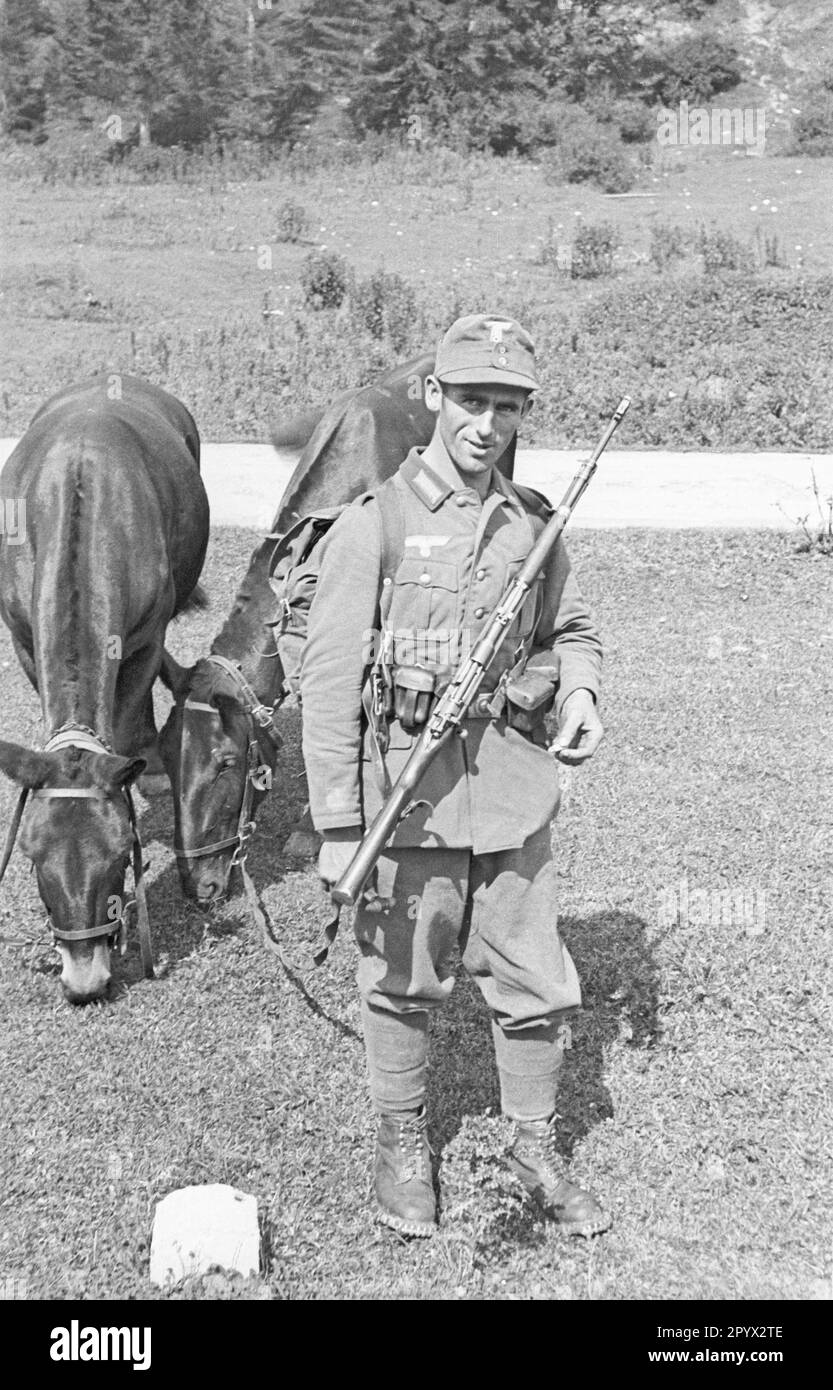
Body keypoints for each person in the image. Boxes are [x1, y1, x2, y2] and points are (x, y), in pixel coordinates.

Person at [299, 313, 610, 1238]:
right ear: (434, 397)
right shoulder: (374, 526)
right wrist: (340, 826)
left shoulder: (535, 526)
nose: (486, 424)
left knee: (537, 981)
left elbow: (572, 631)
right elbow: (328, 688)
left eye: (506, 407)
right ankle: (401, 1142)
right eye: (471, 400)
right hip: (410, 805)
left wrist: (581, 692)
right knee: (401, 978)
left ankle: (532, 1143)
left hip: (513, 797)